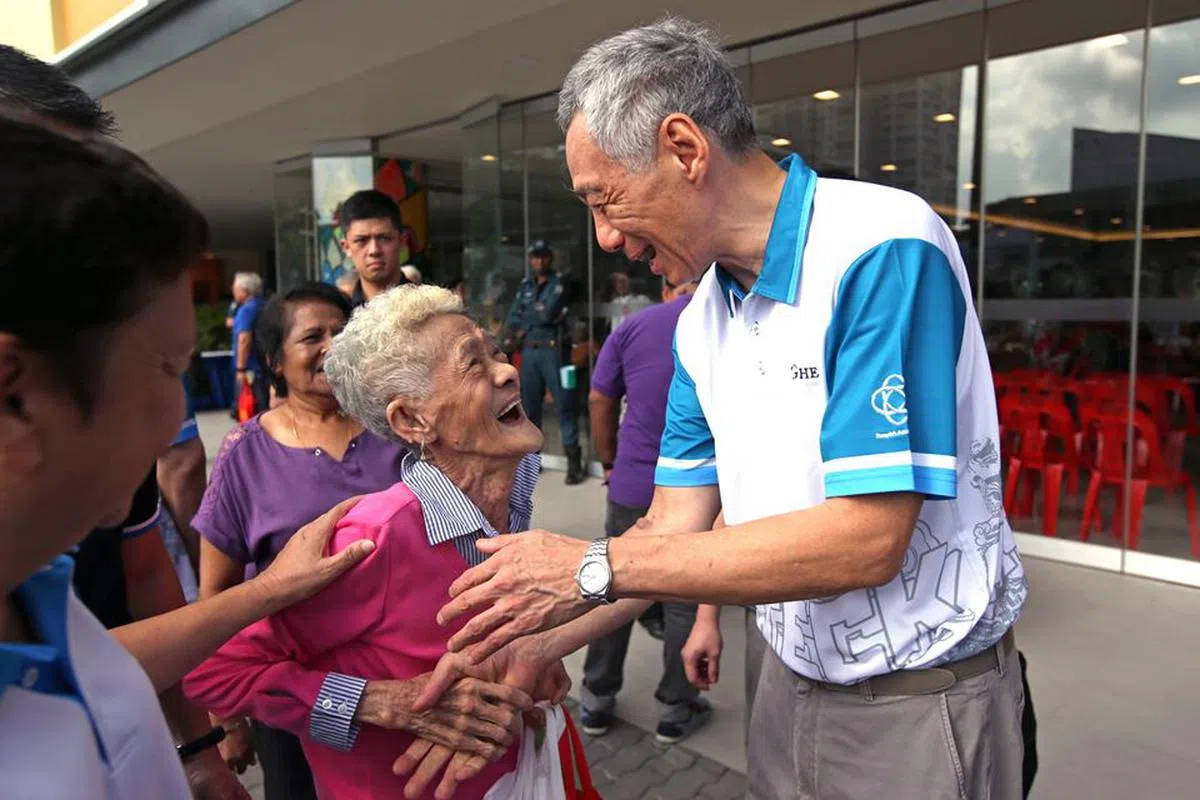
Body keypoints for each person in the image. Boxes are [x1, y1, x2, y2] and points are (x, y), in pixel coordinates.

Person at [423, 18, 1029, 800]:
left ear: (684, 149)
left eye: (605, 201)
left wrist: (586, 566)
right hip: (782, 676)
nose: (604, 238)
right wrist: (543, 642)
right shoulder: (705, 315)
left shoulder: (878, 247)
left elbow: (867, 538)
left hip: (914, 702)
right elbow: (672, 524)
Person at [0, 103, 373, 799]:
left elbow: (108, 660)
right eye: (168, 367)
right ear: (15, 397)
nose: (180, 414)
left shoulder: (44, 596)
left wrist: (199, 742)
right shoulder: (246, 453)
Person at [186, 285, 571, 799]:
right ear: (412, 421)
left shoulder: (510, 494)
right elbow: (211, 668)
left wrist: (536, 649)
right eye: (472, 364)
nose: (507, 371)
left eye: (494, 352)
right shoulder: (373, 537)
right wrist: (381, 701)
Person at [194, 281, 409, 799]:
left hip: (404, 682)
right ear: (274, 359)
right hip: (296, 699)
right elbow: (216, 594)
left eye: (342, 332)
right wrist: (227, 719)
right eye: (313, 336)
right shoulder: (247, 452)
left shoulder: (396, 428)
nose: (333, 346)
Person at [580, 279, 708, 744]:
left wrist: (610, 461)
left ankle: (596, 698)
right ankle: (675, 708)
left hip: (633, 484)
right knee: (683, 602)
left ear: (663, 282)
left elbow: (599, 398)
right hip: (701, 490)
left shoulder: (635, 326)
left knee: (611, 584)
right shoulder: (727, 322)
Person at [70, 470, 248, 798]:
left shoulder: (123, 438)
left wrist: (198, 749)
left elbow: (147, 574)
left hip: (127, 727)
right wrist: (271, 591)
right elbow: (69, 658)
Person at [505, 240, 585, 485]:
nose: (538, 261)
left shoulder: (558, 283)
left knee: (564, 405)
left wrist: (533, 315)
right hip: (530, 353)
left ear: (550, 258)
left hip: (554, 352)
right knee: (530, 409)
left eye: (542, 256)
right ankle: (532, 463)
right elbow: (513, 316)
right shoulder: (526, 285)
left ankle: (573, 463)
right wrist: (536, 315)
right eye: (534, 257)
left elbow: (547, 313)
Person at [337, 189, 409, 308]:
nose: (374, 250)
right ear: (346, 247)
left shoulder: (430, 308)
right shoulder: (339, 315)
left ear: (402, 241)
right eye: (361, 241)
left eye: (385, 238)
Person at [231, 271, 268, 414]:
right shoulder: (265, 305)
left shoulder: (246, 310)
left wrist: (240, 369)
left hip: (250, 371)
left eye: (235, 288)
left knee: (248, 411)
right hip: (265, 369)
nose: (233, 291)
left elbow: (244, 340)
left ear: (244, 290)